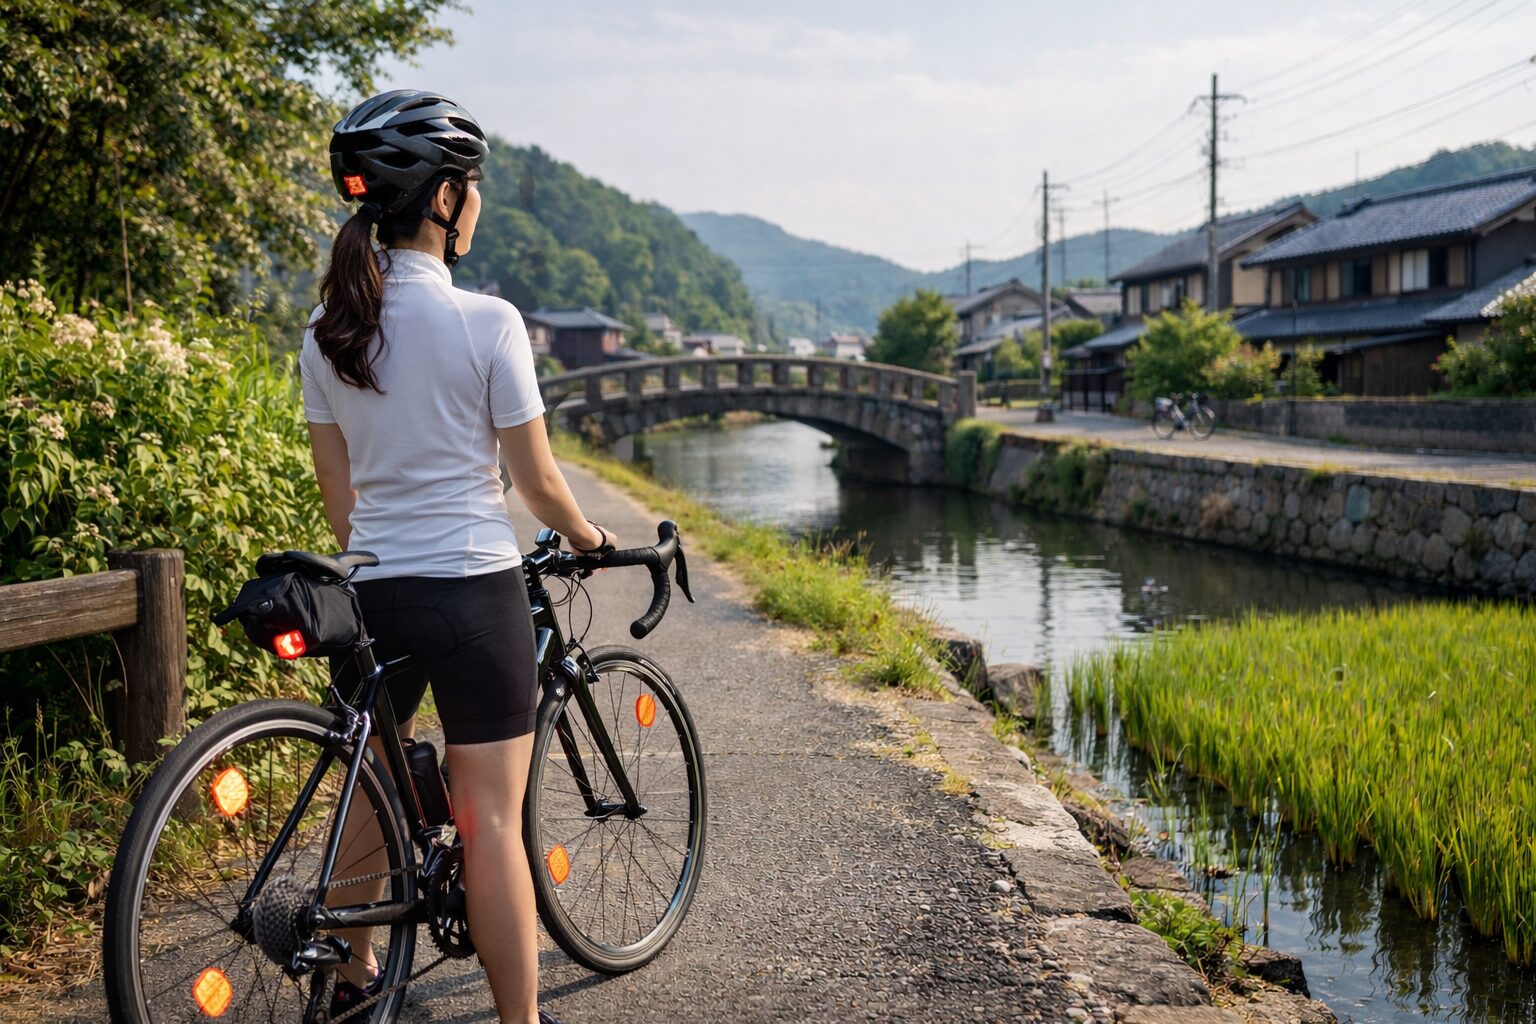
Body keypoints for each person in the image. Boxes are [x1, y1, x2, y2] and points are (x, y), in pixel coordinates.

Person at [300, 89, 610, 1024]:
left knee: (369, 798)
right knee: (489, 828)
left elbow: (340, 499)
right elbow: (541, 483)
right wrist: (590, 538)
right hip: (475, 594)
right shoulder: (490, 323)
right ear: (442, 199)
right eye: (469, 186)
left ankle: (353, 984)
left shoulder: (325, 333)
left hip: (373, 594)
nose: (475, 202)